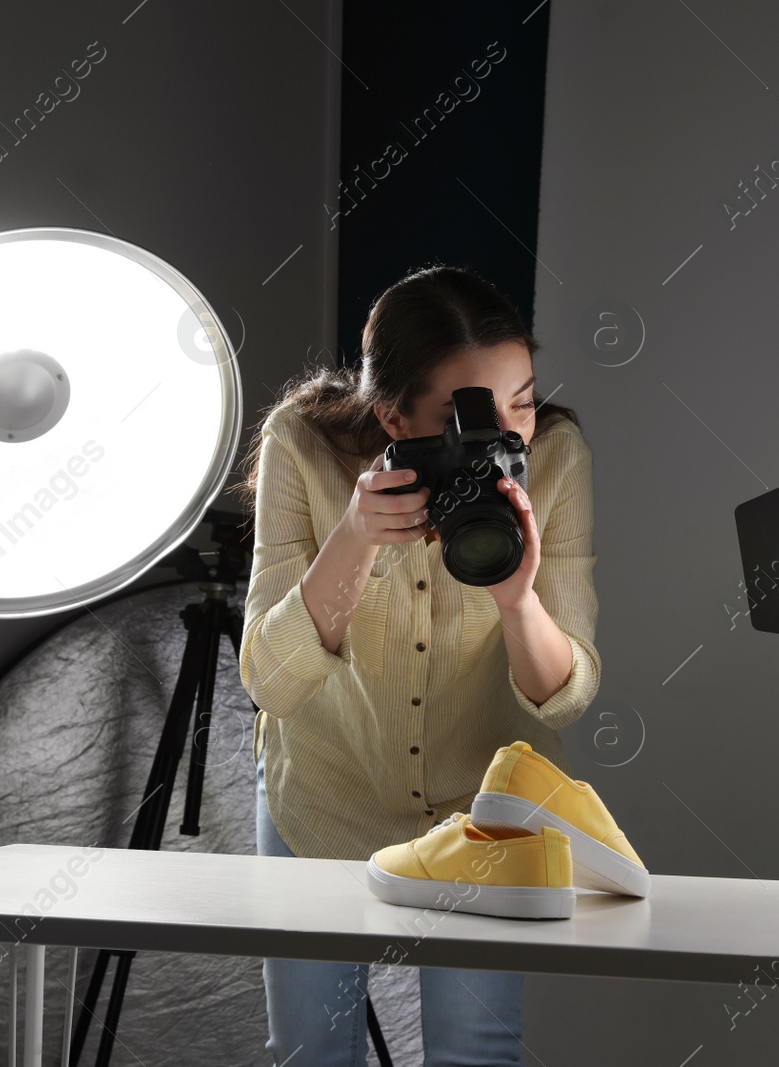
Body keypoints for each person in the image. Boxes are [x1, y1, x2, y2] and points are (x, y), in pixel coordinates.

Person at [234, 263, 602, 1067]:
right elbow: (271, 680)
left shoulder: (558, 455)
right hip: (325, 790)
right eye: (471, 413)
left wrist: (517, 600)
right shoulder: (303, 445)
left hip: (485, 810)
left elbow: (564, 698)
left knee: (476, 1054)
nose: (505, 434)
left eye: (522, 401)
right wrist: (356, 536)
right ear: (393, 414)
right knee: (311, 1055)